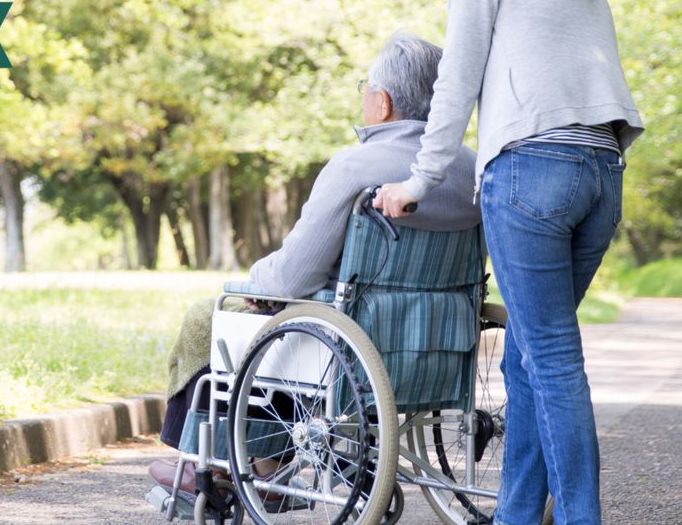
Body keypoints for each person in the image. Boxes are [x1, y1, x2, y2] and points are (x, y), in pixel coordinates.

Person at [375, 0, 644, 525]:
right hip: (600, 173)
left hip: (530, 172)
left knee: (549, 358)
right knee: (527, 359)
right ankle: (517, 517)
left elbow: (455, 81)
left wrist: (417, 180)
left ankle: (584, 517)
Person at [149, 32, 482, 493]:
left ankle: (210, 464)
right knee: (294, 322)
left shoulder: (356, 166)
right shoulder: (472, 171)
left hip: (348, 344)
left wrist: (253, 282)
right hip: (436, 343)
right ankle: (264, 464)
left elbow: (291, 276)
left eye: (366, 87)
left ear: (381, 103)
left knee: (213, 317)